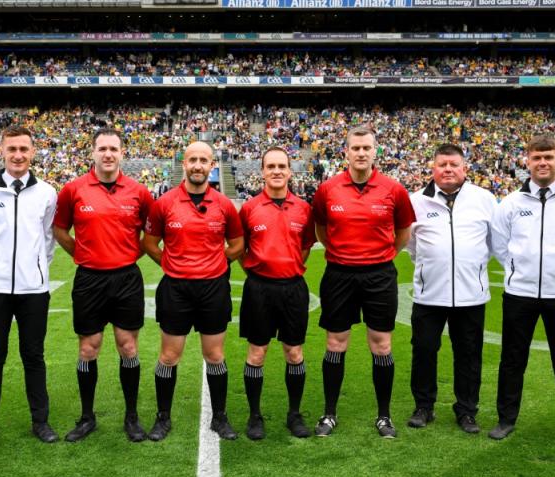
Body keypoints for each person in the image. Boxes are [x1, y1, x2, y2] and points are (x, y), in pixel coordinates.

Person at [489, 135, 555, 448]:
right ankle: (506, 420)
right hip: (519, 294)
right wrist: (518, 271)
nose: (543, 163)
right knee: (512, 359)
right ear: (527, 161)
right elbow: (499, 245)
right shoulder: (511, 203)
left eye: (548, 157)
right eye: (537, 158)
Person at [311, 126, 416, 438]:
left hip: (379, 275)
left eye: (366, 148)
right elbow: (321, 229)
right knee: (335, 343)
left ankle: (384, 417)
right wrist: (340, 252)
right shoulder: (327, 189)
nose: (361, 153)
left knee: (381, 344)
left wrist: (381, 256)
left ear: (375, 152)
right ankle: (329, 414)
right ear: (346, 152)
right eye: (355, 148)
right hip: (339, 274)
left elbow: (403, 234)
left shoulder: (393, 190)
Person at [53, 129, 154, 443]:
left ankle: (132, 417)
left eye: (113, 149)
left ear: (122, 153)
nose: (108, 154)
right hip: (89, 279)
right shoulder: (73, 190)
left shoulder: (139, 192)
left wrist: (128, 254)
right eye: (102, 148)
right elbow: (60, 230)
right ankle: (86, 417)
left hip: (126, 278)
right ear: (93, 152)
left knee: (128, 347)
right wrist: (82, 254)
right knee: (88, 348)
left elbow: (151, 236)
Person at [142, 141, 244, 441]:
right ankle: (163, 417)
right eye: (192, 160)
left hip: (213, 288)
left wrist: (216, 261)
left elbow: (238, 244)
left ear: (212, 165)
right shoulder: (164, 203)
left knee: (215, 355)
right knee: (169, 356)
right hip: (176, 288)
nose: (198, 165)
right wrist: (173, 264)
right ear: (183, 164)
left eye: (204, 160)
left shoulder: (224, 204)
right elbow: (149, 243)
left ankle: (220, 417)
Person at [0, 126, 59, 448]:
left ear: (33, 152)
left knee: (34, 356)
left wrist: (33, 269)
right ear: (2, 152)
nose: (18, 155)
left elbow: (48, 241)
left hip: (34, 289)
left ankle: (41, 422)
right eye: (12, 149)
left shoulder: (47, 193)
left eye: (23, 149)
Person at [405, 144, 497, 433]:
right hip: (429, 293)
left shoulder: (484, 199)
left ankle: (467, 411)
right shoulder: (416, 200)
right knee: (424, 350)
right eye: (442, 164)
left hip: (471, 294)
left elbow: (493, 244)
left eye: (453, 164)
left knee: (469, 354)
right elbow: (411, 245)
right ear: (433, 168)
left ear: (464, 169)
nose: (447, 169)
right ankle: (424, 407)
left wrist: (470, 266)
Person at [238, 147, 316, 440]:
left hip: (293, 288)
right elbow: (239, 248)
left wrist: (290, 266)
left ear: (289, 171)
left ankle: (294, 414)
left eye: (282, 166)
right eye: (270, 166)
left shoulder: (303, 208)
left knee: (294, 353)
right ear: (262, 172)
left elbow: (306, 246)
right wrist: (258, 272)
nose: (276, 171)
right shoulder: (249, 208)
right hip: (259, 288)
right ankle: (255, 415)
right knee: (257, 353)